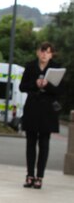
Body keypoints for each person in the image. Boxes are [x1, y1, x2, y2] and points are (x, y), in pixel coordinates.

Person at [19, 42, 62, 189]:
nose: (44, 55)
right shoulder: (30, 66)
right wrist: (35, 84)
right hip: (32, 107)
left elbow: (59, 90)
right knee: (30, 143)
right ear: (38, 52)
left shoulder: (56, 68)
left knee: (44, 143)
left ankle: (40, 176)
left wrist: (47, 85)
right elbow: (22, 86)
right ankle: (29, 175)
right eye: (42, 51)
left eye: (48, 52)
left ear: (51, 54)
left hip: (47, 110)